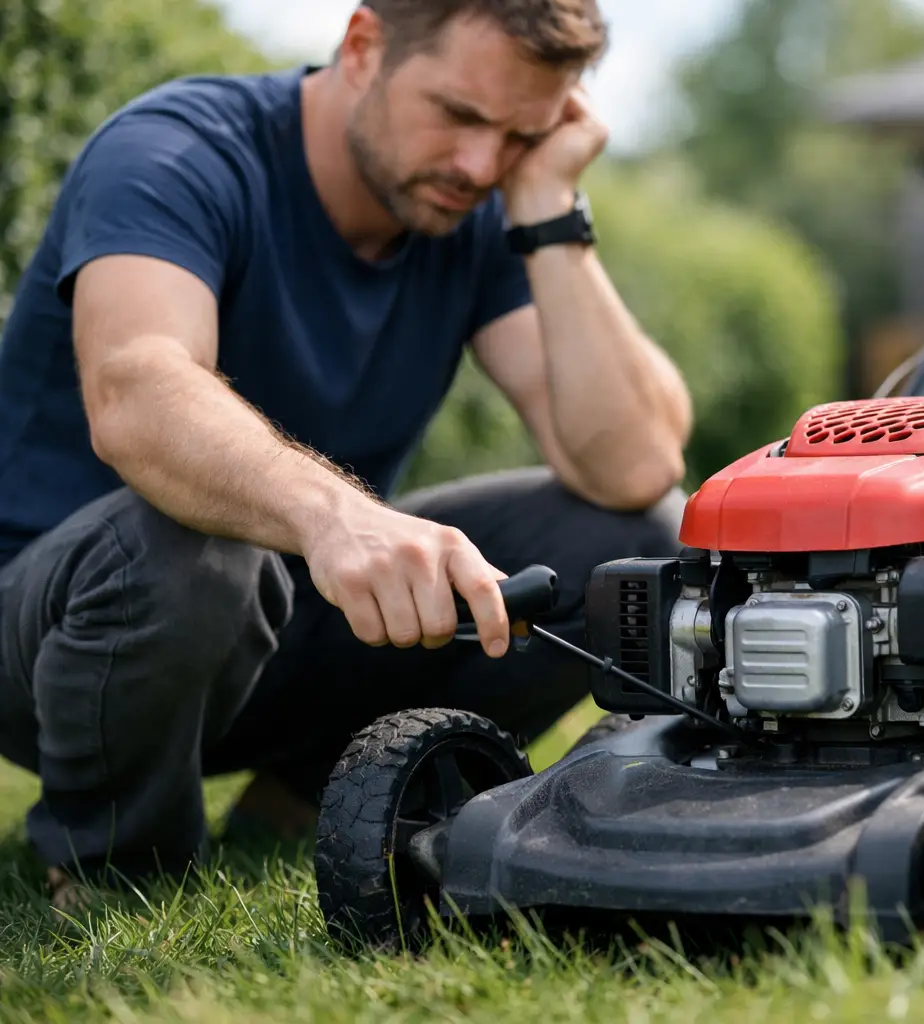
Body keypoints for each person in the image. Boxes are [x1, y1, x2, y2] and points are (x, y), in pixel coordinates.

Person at [0, 0, 693, 909]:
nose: (480, 165)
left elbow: (635, 467)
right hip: (56, 633)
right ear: (363, 46)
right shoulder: (178, 150)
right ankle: (119, 865)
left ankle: (305, 800)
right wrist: (336, 513)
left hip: (280, 626)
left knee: (631, 542)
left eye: (520, 135)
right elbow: (136, 391)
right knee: (194, 542)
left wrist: (549, 209)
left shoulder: (473, 209)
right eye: (460, 114)